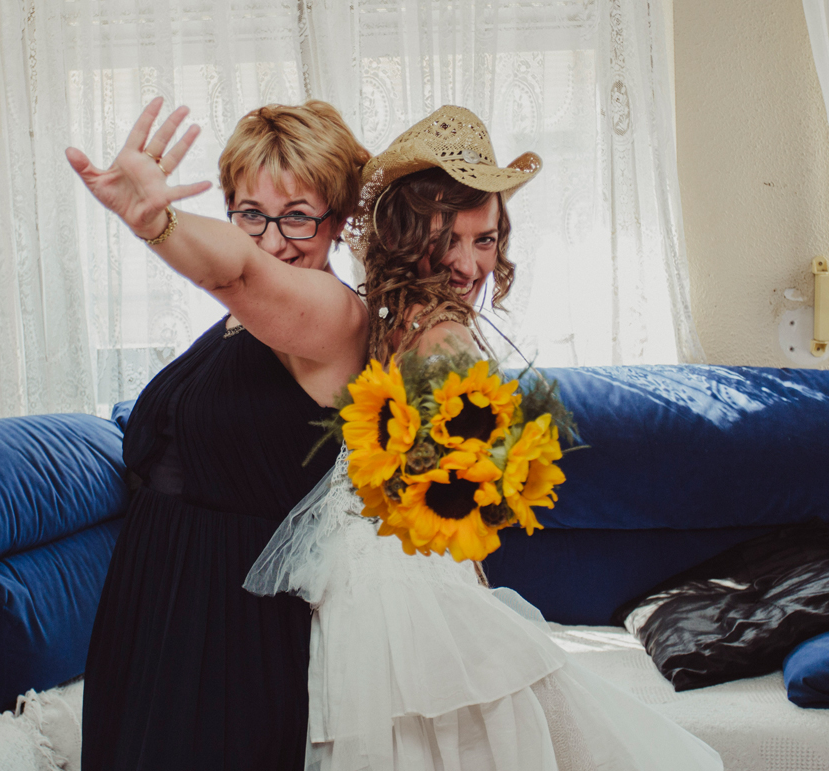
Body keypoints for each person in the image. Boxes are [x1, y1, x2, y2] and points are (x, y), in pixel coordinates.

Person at [246, 106, 724, 771]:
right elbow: (452, 484)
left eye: (487, 238)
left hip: (354, 560)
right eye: (452, 238)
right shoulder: (442, 332)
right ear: (413, 234)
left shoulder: (377, 310)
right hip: (399, 574)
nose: (471, 263)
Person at [66, 99, 371, 770]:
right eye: (250, 214)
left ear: (340, 223)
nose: (270, 239)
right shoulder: (239, 320)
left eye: (297, 215)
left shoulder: (335, 316)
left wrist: (157, 223)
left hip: (231, 620)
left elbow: (236, 267)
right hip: (157, 598)